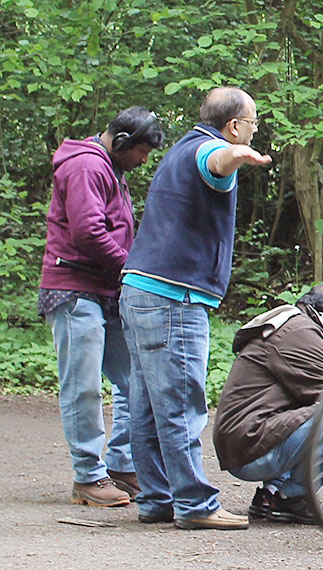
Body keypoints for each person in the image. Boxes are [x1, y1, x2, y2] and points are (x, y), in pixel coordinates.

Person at [119, 87, 272, 530]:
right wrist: (238, 155)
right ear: (234, 126)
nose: (254, 129)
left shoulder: (181, 148)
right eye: (253, 123)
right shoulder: (210, 150)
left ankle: (158, 498)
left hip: (139, 288)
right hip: (173, 295)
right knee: (181, 402)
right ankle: (194, 504)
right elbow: (217, 162)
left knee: (146, 404)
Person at [39, 106, 164, 507]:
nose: (145, 161)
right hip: (74, 288)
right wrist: (132, 269)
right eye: (142, 152)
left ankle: (122, 463)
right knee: (83, 386)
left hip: (105, 290)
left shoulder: (112, 170)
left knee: (134, 380)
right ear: (124, 143)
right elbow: (89, 233)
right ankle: (88, 476)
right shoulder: (86, 168)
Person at [212, 283, 323, 524]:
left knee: (318, 414)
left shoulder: (296, 325)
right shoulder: (300, 334)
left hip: (250, 439)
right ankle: (294, 498)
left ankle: (271, 495)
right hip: (249, 447)